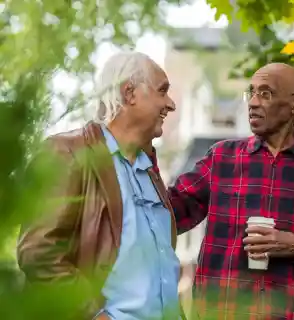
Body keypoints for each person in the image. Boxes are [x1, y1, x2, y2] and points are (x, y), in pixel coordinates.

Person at [169, 62, 294, 319]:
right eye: (251, 92)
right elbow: (166, 214)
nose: (253, 102)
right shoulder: (222, 157)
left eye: (265, 94)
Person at [17, 52, 181, 320]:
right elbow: (39, 252)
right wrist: (95, 315)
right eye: (162, 91)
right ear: (129, 93)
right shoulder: (68, 153)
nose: (171, 104)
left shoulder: (149, 170)